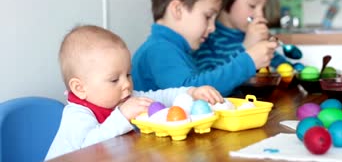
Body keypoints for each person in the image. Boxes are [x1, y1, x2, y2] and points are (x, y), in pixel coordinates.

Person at [46, 25, 223, 160]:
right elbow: (88, 149)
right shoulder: (77, 115)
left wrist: (191, 92)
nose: (126, 84)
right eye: (114, 79)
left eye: (128, 74)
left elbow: (161, 97)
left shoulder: (124, 98)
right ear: (80, 88)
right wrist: (122, 116)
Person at [131, 0, 278, 96]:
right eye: (207, 17)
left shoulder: (176, 48)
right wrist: (248, 61)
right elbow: (194, 92)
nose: (213, 28)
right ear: (177, 10)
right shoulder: (160, 50)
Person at [193, 0, 289, 72]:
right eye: (252, 6)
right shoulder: (207, 38)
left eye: (263, 7)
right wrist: (246, 48)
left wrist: (296, 70)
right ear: (224, 0)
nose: (260, 15)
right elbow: (210, 79)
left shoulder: (256, 36)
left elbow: (282, 67)